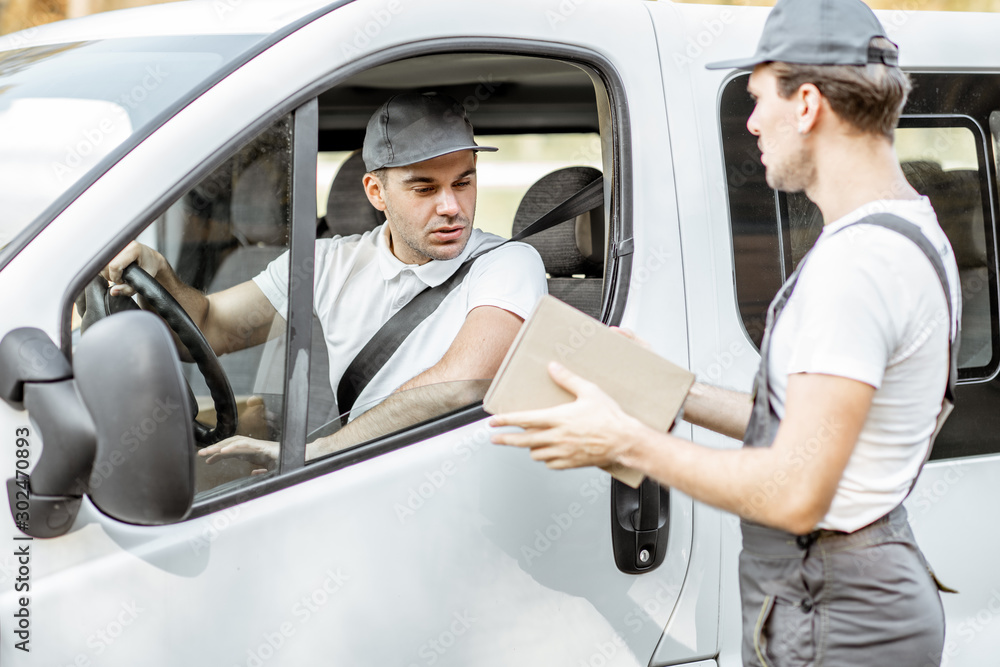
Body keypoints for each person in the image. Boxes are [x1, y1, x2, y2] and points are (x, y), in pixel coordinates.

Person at [490, 1, 959, 665]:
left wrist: (630, 443)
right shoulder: (903, 230)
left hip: (836, 613)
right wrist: (668, 389)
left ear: (807, 104)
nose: (751, 122)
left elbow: (796, 492)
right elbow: (808, 429)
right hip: (852, 591)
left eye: (759, 96)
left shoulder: (859, 267)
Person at [104, 91, 547, 466]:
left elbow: (462, 385)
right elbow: (212, 327)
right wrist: (161, 275)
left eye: (463, 182)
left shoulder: (508, 264)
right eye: (425, 188)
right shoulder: (328, 262)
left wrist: (318, 454)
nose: (452, 206)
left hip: (448, 481)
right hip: (354, 476)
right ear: (376, 192)